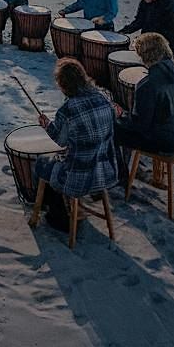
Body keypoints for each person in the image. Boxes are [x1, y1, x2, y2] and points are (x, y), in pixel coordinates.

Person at [35, 58, 117, 232]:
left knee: (41, 163)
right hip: (104, 170)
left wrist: (47, 125)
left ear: (64, 84)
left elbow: (60, 141)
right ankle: (76, 203)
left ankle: (59, 216)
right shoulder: (104, 99)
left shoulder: (67, 110)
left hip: (78, 175)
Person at [113, 32, 174, 159]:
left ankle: (122, 171)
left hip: (164, 142)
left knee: (112, 130)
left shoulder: (147, 84)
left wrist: (121, 116)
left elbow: (140, 125)